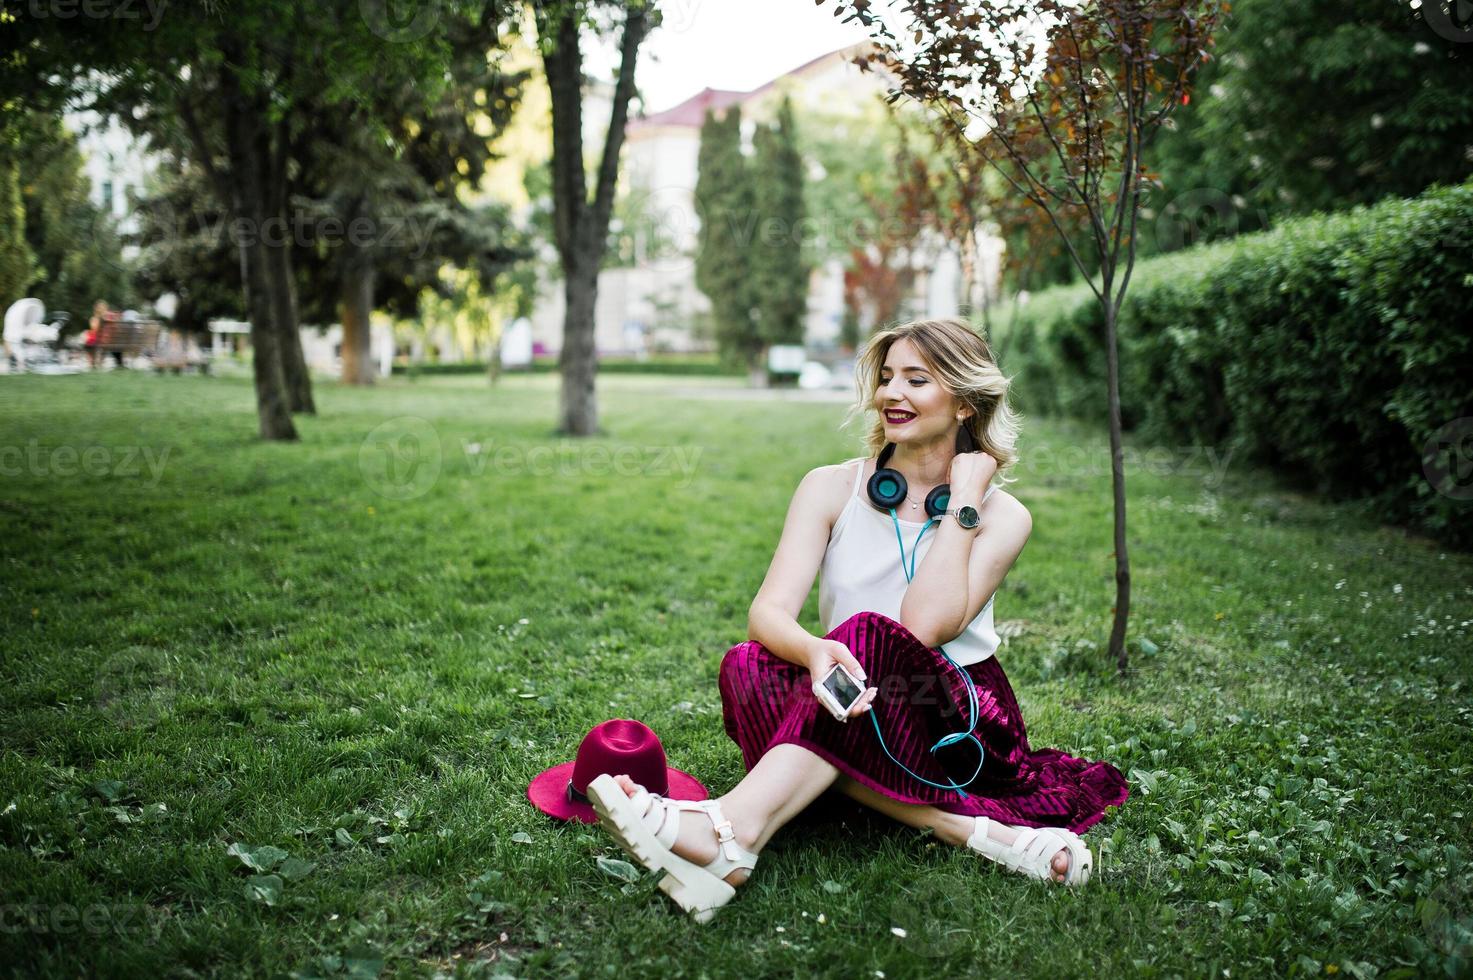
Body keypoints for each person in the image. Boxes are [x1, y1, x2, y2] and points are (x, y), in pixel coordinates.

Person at [586, 317, 1130, 921]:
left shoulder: (1003, 516)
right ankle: (959, 827)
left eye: (918, 380)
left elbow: (924, 625)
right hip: (847, 695)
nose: (892, 393)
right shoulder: (829, 487)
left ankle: (730, 829)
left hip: (950, 715)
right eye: (887, 377)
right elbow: (766, 614)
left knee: (869, 631)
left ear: (966, 402)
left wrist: (966, 501)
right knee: (748, 667)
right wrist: (816, 653)